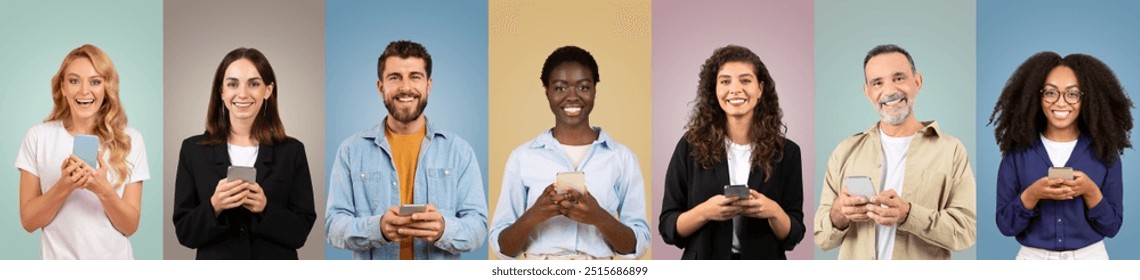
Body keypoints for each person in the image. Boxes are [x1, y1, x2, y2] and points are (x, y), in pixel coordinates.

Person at [325, 40, 488, 260]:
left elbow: (478, 228)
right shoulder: (350, 151)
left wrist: (443, 229)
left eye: (415, 76)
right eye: (395, 77)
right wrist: (378, 228)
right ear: (380, 86)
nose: (405, 87)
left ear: (428, 85)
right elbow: (333, 226)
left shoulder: (459, 151)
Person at [814, 44, 976, 259]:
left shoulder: (951, 150)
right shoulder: (844, 151)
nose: (889, 91)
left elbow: (966, 232)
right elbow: (822, 238)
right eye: (877, 83)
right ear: (868, 92)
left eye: (899, 78)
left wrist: (908, 214)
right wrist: (839, 214)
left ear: (917, 82)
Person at [490, 46, 650, 260]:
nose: (572, 97)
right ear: (547, 91)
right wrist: (534, 215)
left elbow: (636, 246)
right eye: (560, 88)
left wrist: (599, 217)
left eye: (583, 87)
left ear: (594, 90)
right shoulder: (523, 157)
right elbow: (503, 249)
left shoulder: (622, 158)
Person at [659, 45, 805, 260]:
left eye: (745, 80)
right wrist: (705, 212)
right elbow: (668, 227)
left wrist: (773, 211)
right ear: (715, 90)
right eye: (725, 81)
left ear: (760, 89)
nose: (735, 89)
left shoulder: (787, 152)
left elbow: (793, 234)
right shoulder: (690, 145)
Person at [172, 48, 316, 259]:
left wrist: (265, 208)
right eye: (232, 84)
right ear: (221, 91)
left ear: (268, 90)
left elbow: (300, 233)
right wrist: (215, 206)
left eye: (254, 84)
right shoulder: (193, 150)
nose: (242, 94)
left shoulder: (292, 151)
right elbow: (185, 234)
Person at [990, 52, 1130, 260]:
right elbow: (1005, 225)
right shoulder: (1017, 154)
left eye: (1072, 94)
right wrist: (1032, 195)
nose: (1061, 102)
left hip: (1090, 260)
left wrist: (1091, 192)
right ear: (1036, 97)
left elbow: (1111, 227)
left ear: (1087, 99)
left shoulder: (1104, 153)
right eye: (1050, 93)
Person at [16, 44, 150, 259]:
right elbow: (29, 222)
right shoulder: (38, 137)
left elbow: (130, 226)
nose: (84, 91)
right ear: (63, 87)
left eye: (95, 82)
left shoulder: (131, 140)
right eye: (74, 80)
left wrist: (102, 189)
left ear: (107, 87)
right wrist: (65, 185)